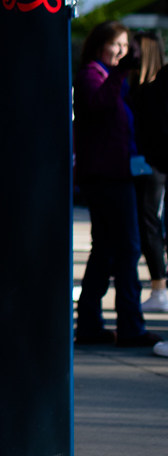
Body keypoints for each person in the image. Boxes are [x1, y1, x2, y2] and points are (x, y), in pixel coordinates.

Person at [74, 23, 154, 348]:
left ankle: (91, 325)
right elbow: (97, 105)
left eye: (124, 46)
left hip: (113, 176)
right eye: (114, 45)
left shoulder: (112, 78)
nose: (120, 52)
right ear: (98, 47)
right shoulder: (92, 75)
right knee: (128, 249)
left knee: (105, 251)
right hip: (107, 178)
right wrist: (120, 73)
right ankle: (130, 327)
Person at [127, 33, 168, 317]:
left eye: (133, 49)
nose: (130, 54)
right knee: (151, 224)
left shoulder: (150, 89)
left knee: (148, 223)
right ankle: (159, 288)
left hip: (151, 164)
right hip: (151, 163)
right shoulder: (148, 87)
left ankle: (159, 288)